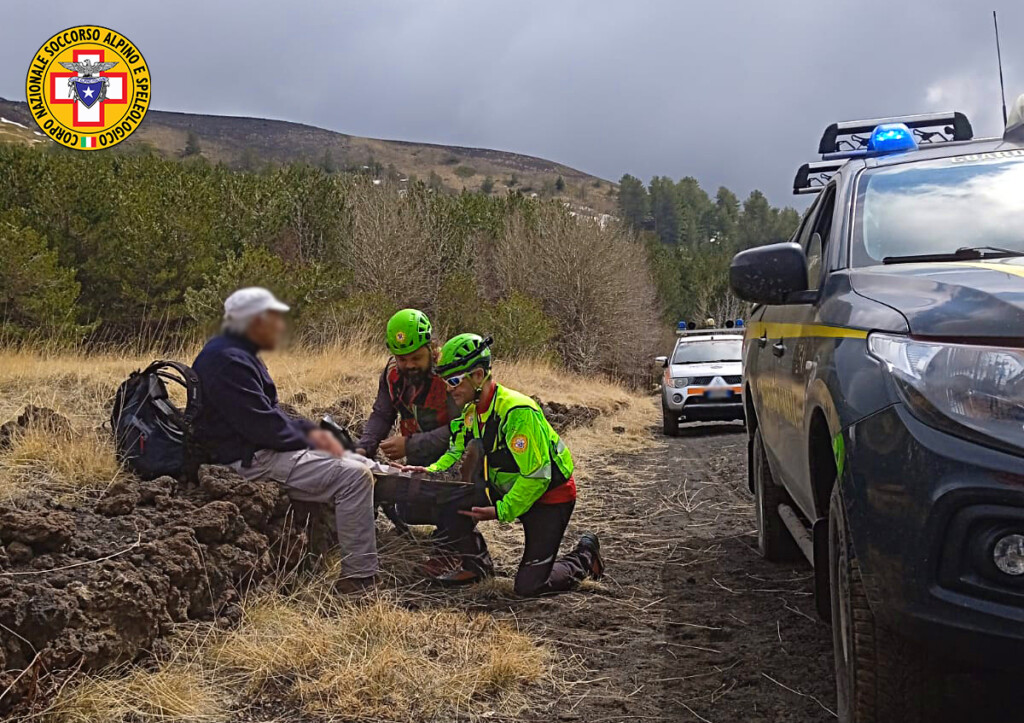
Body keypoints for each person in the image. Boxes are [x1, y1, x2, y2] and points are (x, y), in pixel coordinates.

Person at [191, 287, 378, 591]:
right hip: (248, 460)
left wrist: (315, 434)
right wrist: (317, 442)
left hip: (256, 450)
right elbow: (264, 429)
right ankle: (359, 579)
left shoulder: (233, 353)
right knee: (355, 478)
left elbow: (269, 416)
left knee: (355, 462)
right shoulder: (228, 361)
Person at [406, 333, 605, 596]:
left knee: (530, 586)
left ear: (478, 375)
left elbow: (537, 477)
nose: (448, 388)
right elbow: (455, 450)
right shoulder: (471, 411)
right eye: (445, 381)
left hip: (549, 496)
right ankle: (475, 564)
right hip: (507, 489)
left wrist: (501, 511)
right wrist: (429, 471)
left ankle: (585, 556)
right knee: (450, 499)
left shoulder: (516, 412)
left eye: (454, 380)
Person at [356, 309, 457, 466]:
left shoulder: (450, 376)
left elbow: (461, 429)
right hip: (417, 464)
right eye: (402, 359)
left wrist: (410, 445)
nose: (410, 365)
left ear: (431, 348)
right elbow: (382, 414)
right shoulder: (392, 374)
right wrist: (363, 448)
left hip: (453, 464)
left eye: (417, 357)